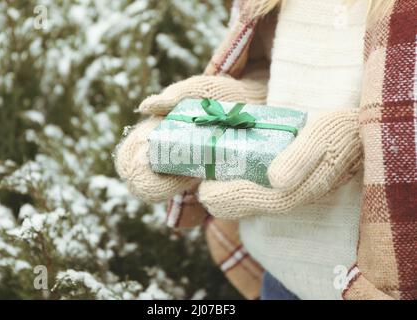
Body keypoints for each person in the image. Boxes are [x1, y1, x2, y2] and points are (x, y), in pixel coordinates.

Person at [116, 0, 417, 300]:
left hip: (371, 283)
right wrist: (241, 100)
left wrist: (363, 135)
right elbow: (264, 64)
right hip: (279, 274)